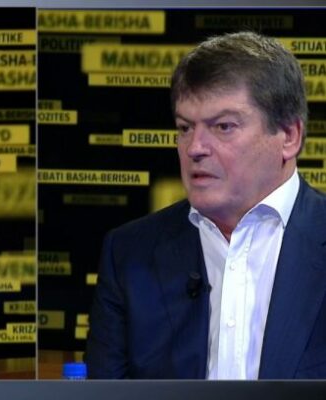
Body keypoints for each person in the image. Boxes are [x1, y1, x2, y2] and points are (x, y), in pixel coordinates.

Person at [85, 31, 326, 379]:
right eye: (185, 128)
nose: (195, 147)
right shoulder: (129, 254)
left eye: (223, 126)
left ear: (289, 136)